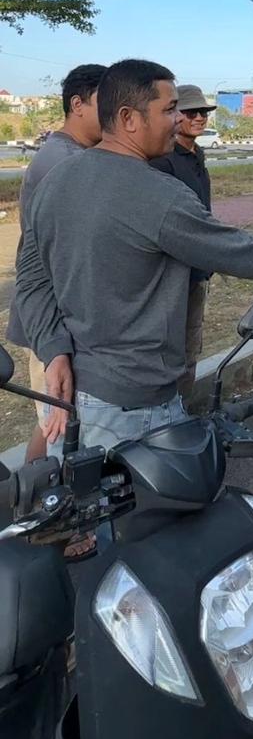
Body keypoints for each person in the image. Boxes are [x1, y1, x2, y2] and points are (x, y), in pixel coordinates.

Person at [16, 59, 253, 453]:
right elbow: (232, 250)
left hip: (72, 391)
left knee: (79, 487)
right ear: (128, 118)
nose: (179, 119)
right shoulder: (158, 194)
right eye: (169, 109)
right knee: (158, 490)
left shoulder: (55, 180)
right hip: (135, 403)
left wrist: (53, 350)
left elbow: (31, 281)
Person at [5, 64, 106, 463]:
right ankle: (32, 496)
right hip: (53, 315)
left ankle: (31, 491)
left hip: (59, 314)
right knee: (57, 425)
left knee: (57, 418)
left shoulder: (74, 155)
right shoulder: (63, 162)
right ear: (77, 105)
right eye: (105, 102)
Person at [150, 83, 216, 400]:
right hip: (172, 275)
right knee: (170, 349)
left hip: (198, 269)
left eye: (203, 112)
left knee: (192, 344)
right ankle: (169, 415)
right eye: (191, 112)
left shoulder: (196, 155)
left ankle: (184, 411)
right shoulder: (163, 161)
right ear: (175, 115)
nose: (199, 118)